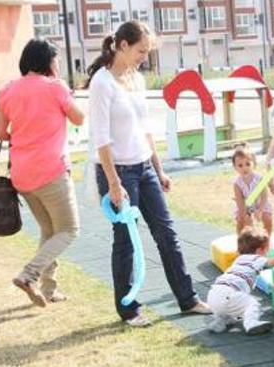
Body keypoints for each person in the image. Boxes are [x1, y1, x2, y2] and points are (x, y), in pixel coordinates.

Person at [87, 21, 210, 327]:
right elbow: (101, 139)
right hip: (117, 172)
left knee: (166, 233)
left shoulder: (136, 80)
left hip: (143, 167)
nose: (145, 56)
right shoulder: (102, 83)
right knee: (126, 240)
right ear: (123, 46)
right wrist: (114, 183)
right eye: (142, 50)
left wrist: (159, 169)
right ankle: (128, 309)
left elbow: (145, 130)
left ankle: (188, 299)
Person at [0, 39, 84, 307]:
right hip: (51, 171)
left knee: (49, 230)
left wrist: (25, 135)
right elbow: (79, 118)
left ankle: (48, 289)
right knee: (69, 230)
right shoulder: (55, 87)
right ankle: (28, 275)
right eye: (56, 60)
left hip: (21, 176)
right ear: (48, 62)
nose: (58, 64)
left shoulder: (7, 90)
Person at [207, 227, 274, 335]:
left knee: (233, 309)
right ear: (260, 250)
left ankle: (220, 321)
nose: (267, 252)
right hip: (229, 293)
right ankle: (251, 324)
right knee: (252, 304)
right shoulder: (256, 259)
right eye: (267, 249)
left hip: (213, 295)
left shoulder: (239, 260)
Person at [231, 146, 272, 235]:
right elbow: (240, 202)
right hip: (244, 206)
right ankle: (240, 240)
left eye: (248, 164)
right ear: (235, 167)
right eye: (240, 165)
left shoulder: (259, 178)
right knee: (241, 221)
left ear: (254, 164)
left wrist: (260, 210)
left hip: (260, 203)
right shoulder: (236, 183)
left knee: (268, 219)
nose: (244, 168)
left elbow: (264, 196)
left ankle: (267, 240)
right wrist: (245, 215)